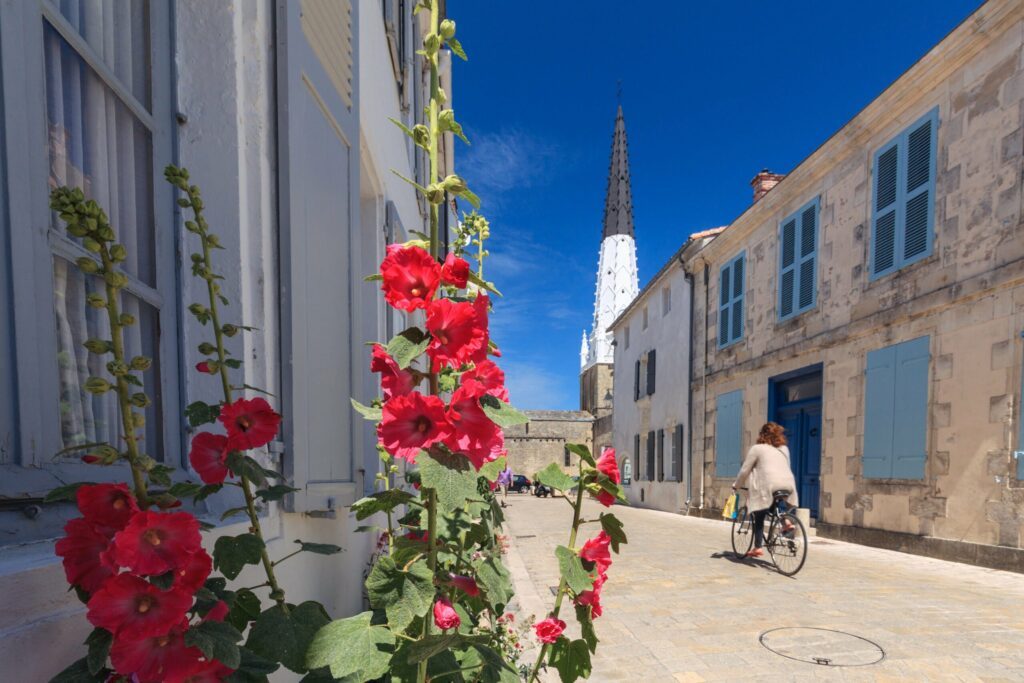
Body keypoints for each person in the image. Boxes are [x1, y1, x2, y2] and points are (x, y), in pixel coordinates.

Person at [732, 422, 798, 558]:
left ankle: (757, 547)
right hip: (788, 483)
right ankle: (786, 523)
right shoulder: (784, 449)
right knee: (772, 503)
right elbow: (786, 466)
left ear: (762, 434)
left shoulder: (757, 448)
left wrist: (736, 485)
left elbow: (745, 470)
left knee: (759, 513)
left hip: (768, 484)